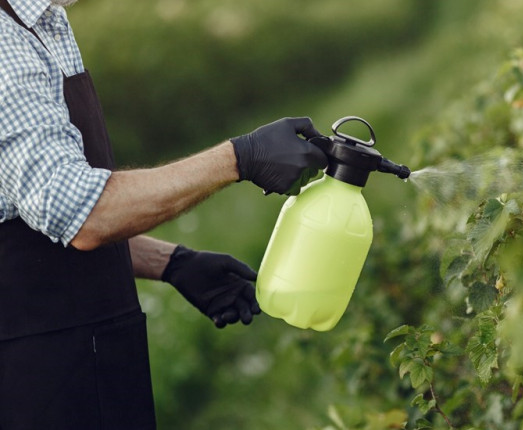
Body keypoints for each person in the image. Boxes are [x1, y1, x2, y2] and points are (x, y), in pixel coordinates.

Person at [0, 0, 328, 428]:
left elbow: (37, 215)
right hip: (37, 382)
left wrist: (173, 263)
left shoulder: (46, 22)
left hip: (91, 362)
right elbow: (86, 212)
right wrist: (239, 158)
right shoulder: (5, 44)